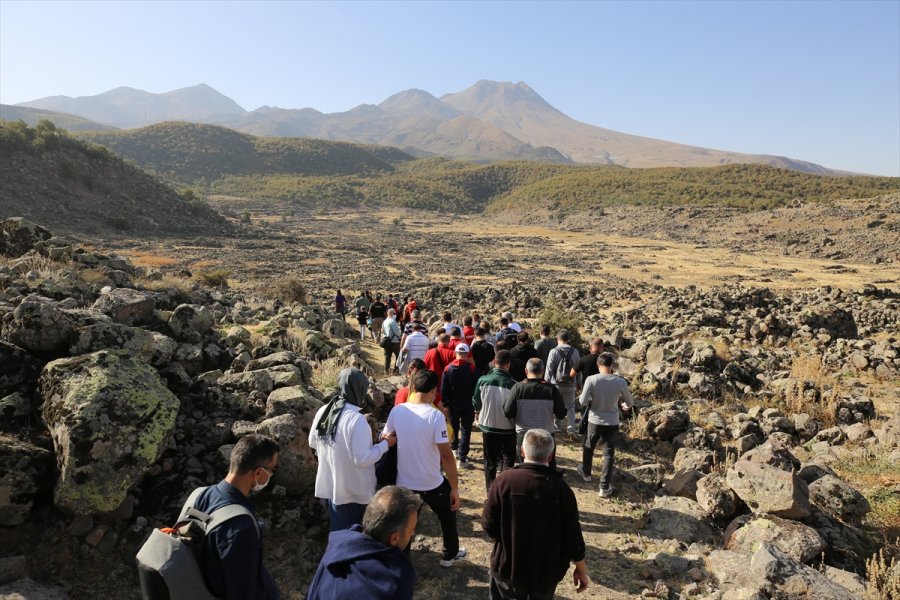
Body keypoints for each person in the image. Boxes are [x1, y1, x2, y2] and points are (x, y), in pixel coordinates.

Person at [481, 429, 589, 600]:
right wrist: (581, 569)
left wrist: (501, 541)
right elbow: (573, 536)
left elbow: (488, 524)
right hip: (545, 576)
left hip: (508, 570)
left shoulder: (503, 481)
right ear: (551, 455)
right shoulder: (562, 490)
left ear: (522, 451)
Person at [384, 370, 467, 568]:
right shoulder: (434, 416)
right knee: (447, 516)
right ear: (433, 391)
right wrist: (454, 488)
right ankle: (449, 554)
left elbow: (385, 436)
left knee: (406, 525)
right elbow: (447, 455)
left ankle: (401, 561)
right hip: (432, 482)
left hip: (405, 483)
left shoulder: (397, 411)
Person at [192, 434, 281, 599]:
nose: (272, 475)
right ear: (258, 472)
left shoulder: (200, 495)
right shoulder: (242, 527)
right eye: (272, 469)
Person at [309, 368, 395, 531]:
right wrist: (385, 445)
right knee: (354, 535)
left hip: (332, 485)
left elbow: (313, 441)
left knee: (339, 533)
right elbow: (361, 459)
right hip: (354, 491)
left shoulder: (324, 411)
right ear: (361, 390)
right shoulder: (356, 420)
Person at [307, 486, 419, 600]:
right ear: (394, 538)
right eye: (412, 529)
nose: (413, 533)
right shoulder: (394, 582)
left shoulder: (335, 550)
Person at [576, 353, 634, 498]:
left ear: (598, 364)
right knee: (608, 453)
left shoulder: (591, 379)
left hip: (594, 420)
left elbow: (582, 401)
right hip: (612, 421)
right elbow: (630, 402)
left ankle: (587, 473)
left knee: (589, 446)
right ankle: (604, 487)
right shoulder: (620, 381)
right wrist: (624, 406)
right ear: (612, 365)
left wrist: (591, 398)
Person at [503, 358, 566, 468]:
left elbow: (508, 412)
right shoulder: (551, 389)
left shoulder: (518, 387)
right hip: (546, 436)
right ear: (542, 371)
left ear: (526, 371)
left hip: (524, 436)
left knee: (523, 468)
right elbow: (561, 414)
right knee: (548, 468)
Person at [473, 350, 517, 490]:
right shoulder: (514, 384)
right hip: (508, 428)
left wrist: (478, 411)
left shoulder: (483, 380)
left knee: (490, 461)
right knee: (508, 459)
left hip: (488, 425)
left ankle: (490, 490)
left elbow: (476, 401)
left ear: (494, 362)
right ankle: (505, 488)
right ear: (508, 364)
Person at [441, 343, 478, 469]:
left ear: (455, 353)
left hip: (452, 405)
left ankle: (454, 449)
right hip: (468, 404)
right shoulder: (472, 368)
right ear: (467, 354)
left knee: (454, 427)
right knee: (466, 430)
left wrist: (445, 404)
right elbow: (476, 388)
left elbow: (443, 390)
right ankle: (462, 458)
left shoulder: (447, 368)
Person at [545, 330, 581, 437]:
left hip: (555, 384)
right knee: (570, 407)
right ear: (568, 339)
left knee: (554, 406)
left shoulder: (554, 351)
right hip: (570, 384)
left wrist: (545, 384)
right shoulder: (575, 351)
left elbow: (549, 370)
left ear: (557, 339)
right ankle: (571, 429)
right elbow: (578, 369)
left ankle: (557, 427)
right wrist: (579, 383)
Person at [423, 333, 455, 407]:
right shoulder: (452, 353)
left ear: (438, 341)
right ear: (448, 341)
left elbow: (424, 368)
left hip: (432, 386)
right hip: (448, 387)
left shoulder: (429, 352)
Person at [381, 308, 403, 374]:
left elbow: (382, 331)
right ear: (391, 314)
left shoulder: (384, 321)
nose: (395, 315)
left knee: (387, 357)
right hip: (394, 341)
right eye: (394, 313)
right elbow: (397, 332)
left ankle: (386, 371)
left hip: (386, 341)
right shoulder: (393, 321)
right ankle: (396, 371)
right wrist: (400, 336)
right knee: (398, 356)